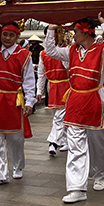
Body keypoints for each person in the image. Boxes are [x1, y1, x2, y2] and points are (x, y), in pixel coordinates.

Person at [44, 14, 104, 204]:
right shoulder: (71, 50)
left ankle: (100, 174)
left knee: (97, 144)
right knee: (76, 146)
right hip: (75, 101)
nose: (73, 35)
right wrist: (52, 28)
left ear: (86, 32)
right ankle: (76, 188)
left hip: (95, 100)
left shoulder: (103, 51)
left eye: (76, 31)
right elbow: (50, 50)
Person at [0, 23, 36, 186]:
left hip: (14, 99)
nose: (7, 38)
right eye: (4, 34)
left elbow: (28, 79)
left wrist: (30, 101)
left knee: (16, 138)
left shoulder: (24, 54)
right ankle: (1, 174)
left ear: (17, 37)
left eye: (11, 35)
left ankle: (18, 166)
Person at [37, 26, 70, 156]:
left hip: (65, 86)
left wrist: (62, 51)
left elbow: (68, 67)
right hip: (53, 87)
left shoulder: (65, 51)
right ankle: (64, 140)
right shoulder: (43, 54)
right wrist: (39, 90)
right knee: (57, 116)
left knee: (60, 117)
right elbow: (41, 73)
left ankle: (53, 142)